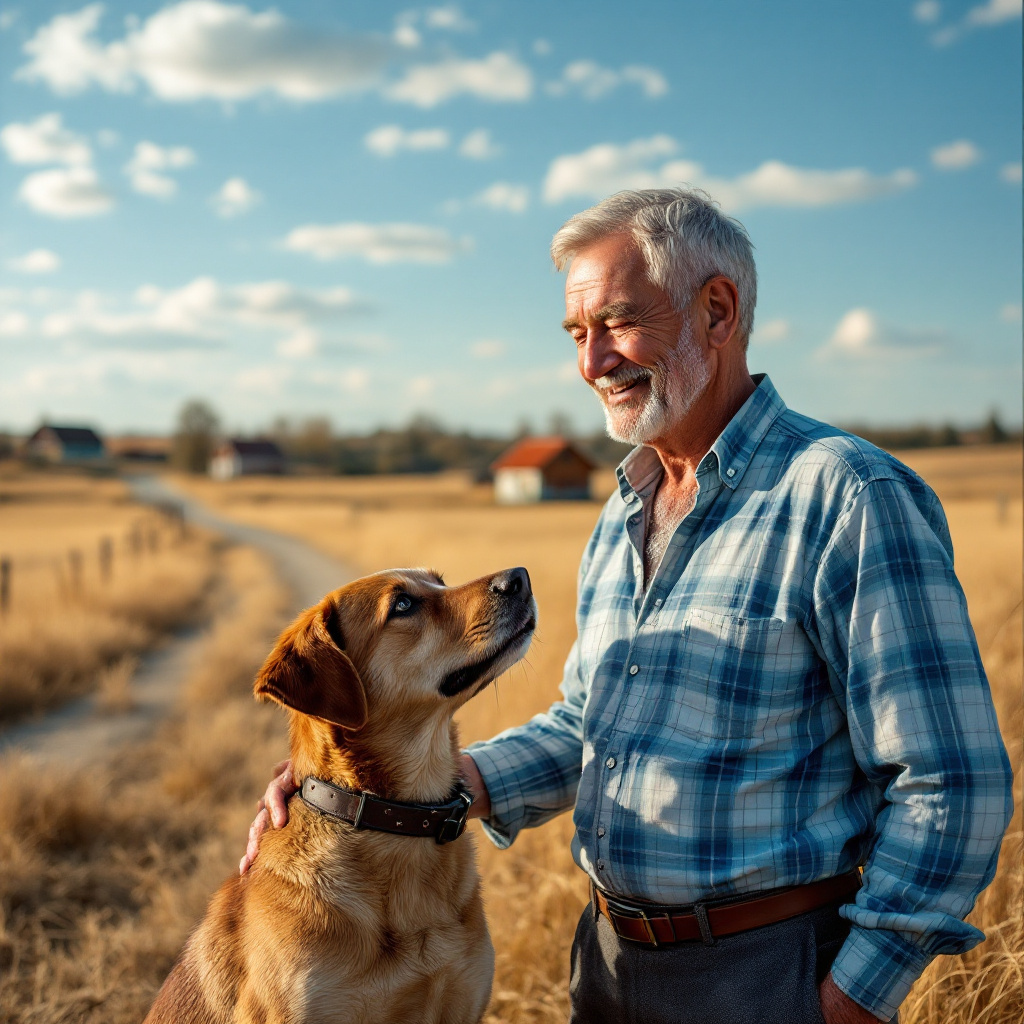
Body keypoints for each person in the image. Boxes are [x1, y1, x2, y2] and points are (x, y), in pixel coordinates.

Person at [241, 188, 1013, 1024]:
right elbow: (591, 725)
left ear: (717, 312)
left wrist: (851, 998)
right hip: (607, 967)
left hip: (765, 974)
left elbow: (951, 780)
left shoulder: (847, 495)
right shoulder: (626, 510)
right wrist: (405, 792)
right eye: (578, 334)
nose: (592, 362)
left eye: (616, 322)